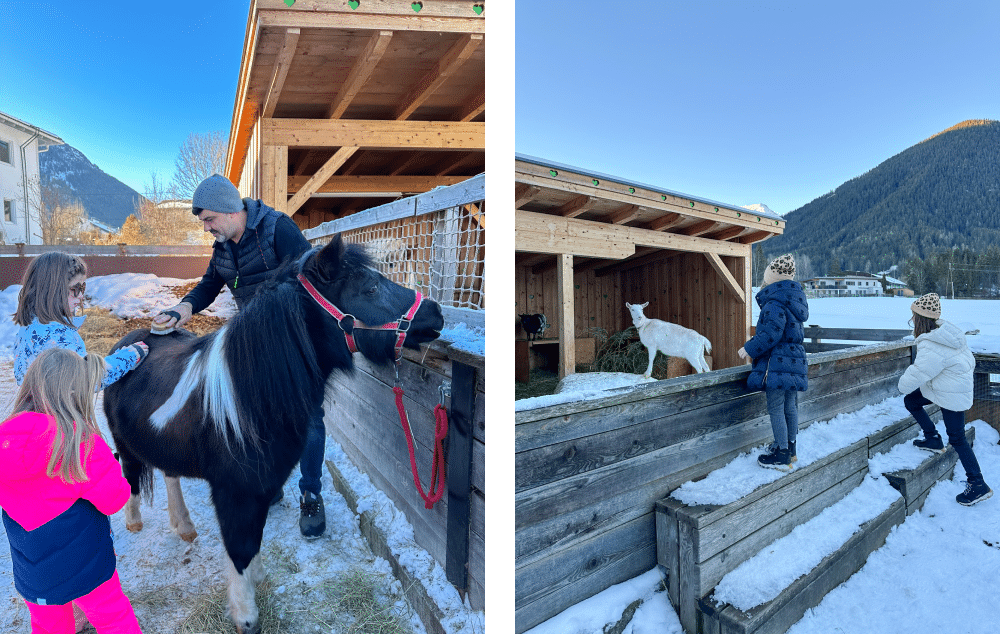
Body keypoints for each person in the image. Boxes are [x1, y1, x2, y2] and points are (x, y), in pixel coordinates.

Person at [151, 173, 326, 537]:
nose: (205, 228)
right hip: (255, 343)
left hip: (296, 339)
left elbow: (313, 280)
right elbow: (210, 284)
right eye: (203, 222)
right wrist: (182, 310)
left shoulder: (279, 229)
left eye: (209, 220)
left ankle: (311, 493)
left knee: (307, 417)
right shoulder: (223, 246)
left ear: (231, 210)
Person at [0, 348, 143, 633]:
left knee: (47, 626)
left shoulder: (4, 439)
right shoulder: (80, 442)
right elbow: (115, 499)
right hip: (86, 564)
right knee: (113, 617)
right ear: (76, 391)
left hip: (33, 569)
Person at [899, 292, 992, 506]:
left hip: (952, 394)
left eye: (913, 316)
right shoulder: (947, 334)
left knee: (957, 438)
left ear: (920, 319)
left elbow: (919, 371)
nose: (911, 320)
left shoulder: (932, 344)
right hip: (946, 387)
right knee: (912, 402)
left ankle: (978, 484)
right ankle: (932, 438)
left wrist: (902, 385)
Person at [13, 251, 148, 389]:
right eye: (76, 288)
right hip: (60, 411)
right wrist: (128, 357)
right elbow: (87, 380)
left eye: (83, 287)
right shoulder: (57, 335)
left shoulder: (29, 329)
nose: (81, 295)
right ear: (51, 290)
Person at [738, 254, 809, 471]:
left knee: (776, 407)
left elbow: (770, 334)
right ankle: (790, 448)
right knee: (790, 406)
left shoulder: (774, 302)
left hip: (777, 361)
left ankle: (781, 454)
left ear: (771, 277)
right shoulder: (794, 300)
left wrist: (747, 349)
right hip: (794, 359)